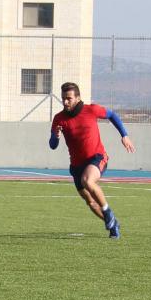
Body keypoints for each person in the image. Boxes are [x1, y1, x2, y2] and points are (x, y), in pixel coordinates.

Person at [49, 81, 135, 238]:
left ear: (78, 98)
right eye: (63, 98)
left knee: (88, 181)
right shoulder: (59, 119)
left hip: (97, 157)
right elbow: (52, 145)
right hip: (76, 165)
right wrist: (55, 136)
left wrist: (124, 135)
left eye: (68, 98)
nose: (65, 101)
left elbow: (112, 115)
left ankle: (108, 211)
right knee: (90, 202)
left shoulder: (91, 110)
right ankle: (113, 224)